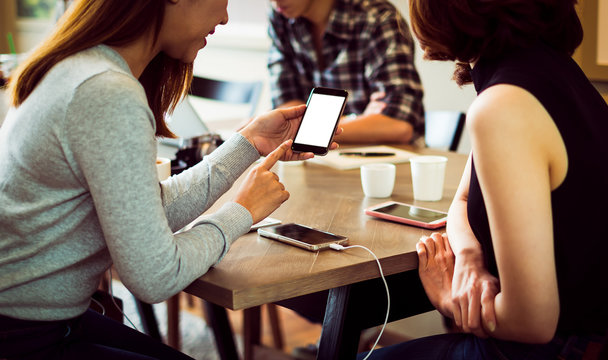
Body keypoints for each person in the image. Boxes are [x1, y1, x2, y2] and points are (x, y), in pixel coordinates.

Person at [0, 1, 339, 359]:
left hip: (36, 319)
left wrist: (248, 144)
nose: (224, 17)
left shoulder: (82, 68)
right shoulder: (105, 91)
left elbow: (145, 212)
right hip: (23, 335)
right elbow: (156, 275)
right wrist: (241, 211)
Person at [361, 0, 608, 359]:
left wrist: (448, 298)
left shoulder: (503, 106)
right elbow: (461, 201)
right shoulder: (548, 76)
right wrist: (470, 259)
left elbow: (532, 323)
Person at [267, 0, 425, 145]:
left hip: (384, 163)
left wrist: (307, 127)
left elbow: (399, 126)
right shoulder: (281, 16)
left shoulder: (377, 18)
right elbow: (286, 111)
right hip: (320, 161)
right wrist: (356, 121)